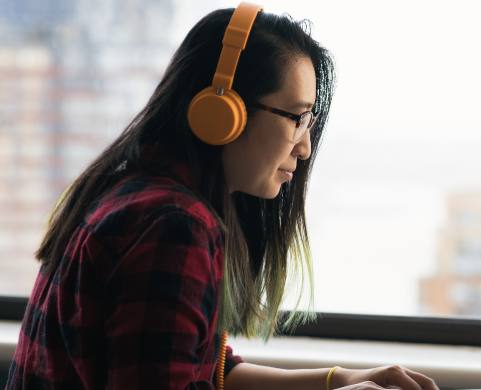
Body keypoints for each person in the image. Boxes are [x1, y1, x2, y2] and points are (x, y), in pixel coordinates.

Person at [4, 3, 439, 390]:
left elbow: (206, 370)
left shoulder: (133, 192)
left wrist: (337, 380)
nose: (304, 148)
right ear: (223, 110)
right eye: (297, 118)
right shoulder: (172, 225)